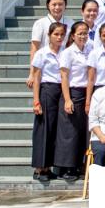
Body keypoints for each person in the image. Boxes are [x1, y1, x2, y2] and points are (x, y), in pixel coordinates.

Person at [55, 20, 93, 182]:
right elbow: (64, 76)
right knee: (69, 132)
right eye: (80, 33)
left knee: (82, 131)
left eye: (86, 33)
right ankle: (66, 167)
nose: (83, 36)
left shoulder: (90, 50)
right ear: (72, 35)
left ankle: (79, 164)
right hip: (72, 92)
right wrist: (67, 99)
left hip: (86, 92)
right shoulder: (68, 52)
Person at [30, 21, 67, 186]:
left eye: (62, 34)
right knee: (44, 129)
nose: (59, 37)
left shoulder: (65, 52)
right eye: (56, 34)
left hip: (61, 90)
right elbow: (37, 77)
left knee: (55, 130)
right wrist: (36, 100)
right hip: (46, 90)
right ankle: (40, 168)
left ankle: (49, 166)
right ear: (49, 35)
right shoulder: (42, 53)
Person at [28, 0, 68, 82]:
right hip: (45, 71)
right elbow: (34, 48)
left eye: (60, 4)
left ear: (65, 5)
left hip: (65, 69)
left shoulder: (71, 23)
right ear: (48, 5)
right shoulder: (40, 23)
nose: (57, 7)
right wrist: (32, 73)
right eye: (54, 4)